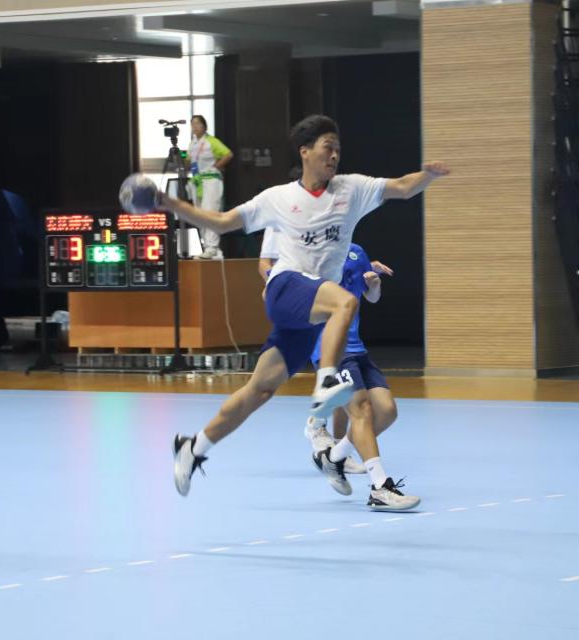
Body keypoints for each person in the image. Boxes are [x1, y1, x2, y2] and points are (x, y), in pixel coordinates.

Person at [157, 114, 449, 508]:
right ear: (305, 151)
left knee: (259, 390)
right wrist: (168, 202)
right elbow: (222, 223)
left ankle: (193, 447)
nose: (334, 155)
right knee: (346, 301)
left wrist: (427, 176)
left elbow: (401, 187)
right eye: (328, 148)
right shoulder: (277, 198)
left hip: (311, 315)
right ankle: (328, 386)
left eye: (338, 149)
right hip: (286, 287)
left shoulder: (352, 189)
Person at [261, 233, 410, 508]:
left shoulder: (357, 252)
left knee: (387, 411)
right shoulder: (307, 255)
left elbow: (371, 297)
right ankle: (380, 488)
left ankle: (334, 457)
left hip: (357, 348)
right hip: (329, 347)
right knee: (362, 410)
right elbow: (273, 285)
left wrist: (374, 285)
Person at [187, 115, 233, 260]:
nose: (195, 127)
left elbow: (228, 154)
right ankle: (209, 247)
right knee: (199, 216)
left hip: (211, 180)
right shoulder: (192, 143)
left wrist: (216, 167)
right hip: (197, 181)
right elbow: (189, 160)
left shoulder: (211, 141)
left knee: (210, 213)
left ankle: (212, 247)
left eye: (198, 124)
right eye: (193, 124)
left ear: (204, 126)